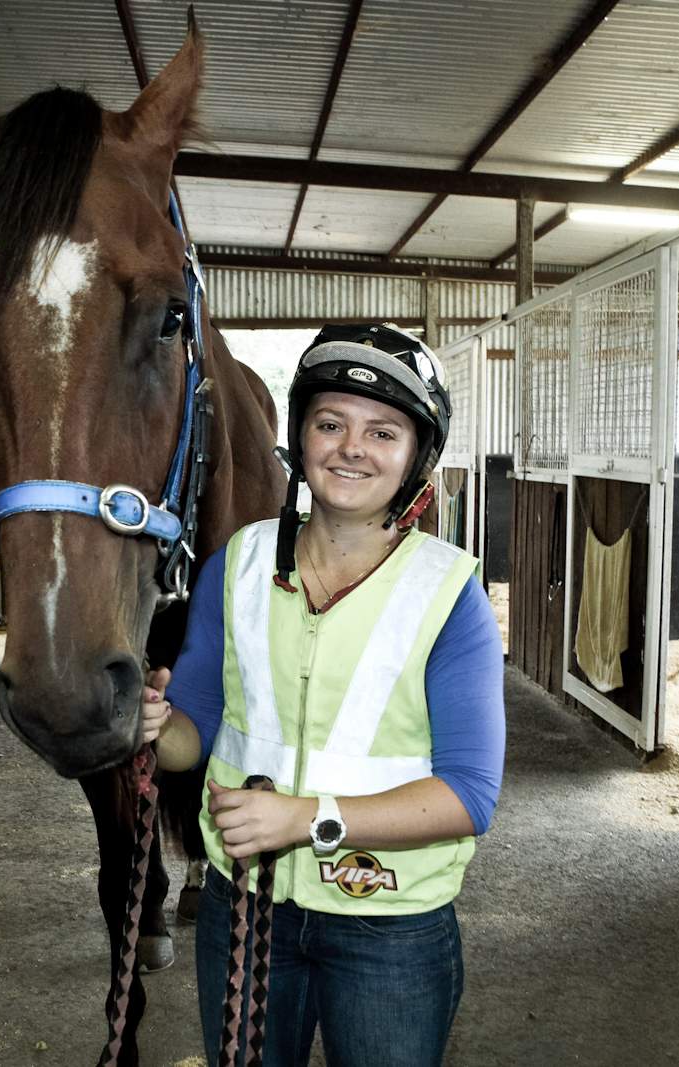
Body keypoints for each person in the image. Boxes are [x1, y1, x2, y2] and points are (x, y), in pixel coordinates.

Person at [142, 323, 506, 1066]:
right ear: (301, 437)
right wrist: (153, 723)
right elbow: (198, 734)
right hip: (245, 908)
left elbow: (470, 793)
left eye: (383, 431)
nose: (352, 447)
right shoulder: (235, 566)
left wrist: (306, 819)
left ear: (415, 458)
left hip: (389, 923)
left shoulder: (449, 594)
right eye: (331, 423)